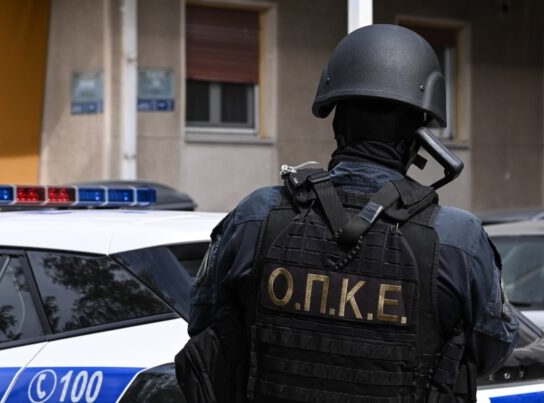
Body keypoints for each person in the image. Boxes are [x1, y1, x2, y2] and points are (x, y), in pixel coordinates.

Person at [177, 24, 519, 403]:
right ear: (418, 137)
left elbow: (203, 320)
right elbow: (494, 347)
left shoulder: (256, 215)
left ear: (337, 122)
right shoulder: (458, 238)